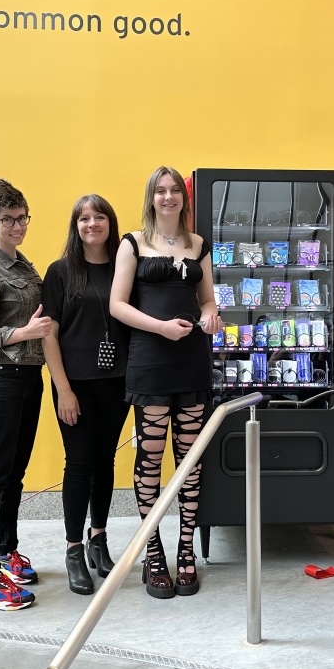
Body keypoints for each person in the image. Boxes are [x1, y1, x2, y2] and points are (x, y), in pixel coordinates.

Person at [110, 166, 222, 599]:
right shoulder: (133, 243)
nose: (169, 196)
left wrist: (210, 315)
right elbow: (118, 305)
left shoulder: (198, 244)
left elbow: (207, 298)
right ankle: (152, 551)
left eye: (175, 190)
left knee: (189, 461)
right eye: (161, 190)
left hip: (192, 359)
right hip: (152, 360)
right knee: (152, 459)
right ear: (151, 197)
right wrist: (159, 327)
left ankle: (186, 551)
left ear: (184, 198)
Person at [0, 177, 53, 611]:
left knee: (14, 474)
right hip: (2, 379)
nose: (17, 226)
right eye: (8, 220)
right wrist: (24, 332)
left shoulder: (23, 266)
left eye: (22, 218)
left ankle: (4, 551)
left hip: (28, 379)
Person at [41, 195, 131, 595]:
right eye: (84, 218)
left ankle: (99, 539)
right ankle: (74, 549)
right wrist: (63, 390)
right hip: (74, 385)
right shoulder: (61, 272)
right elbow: (49, 336)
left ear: (110, 223)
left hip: (117, 383)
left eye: (99, 217)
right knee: (79, 463)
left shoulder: (125, 268)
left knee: (105, 461)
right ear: (75, 226)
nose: (92, 224)